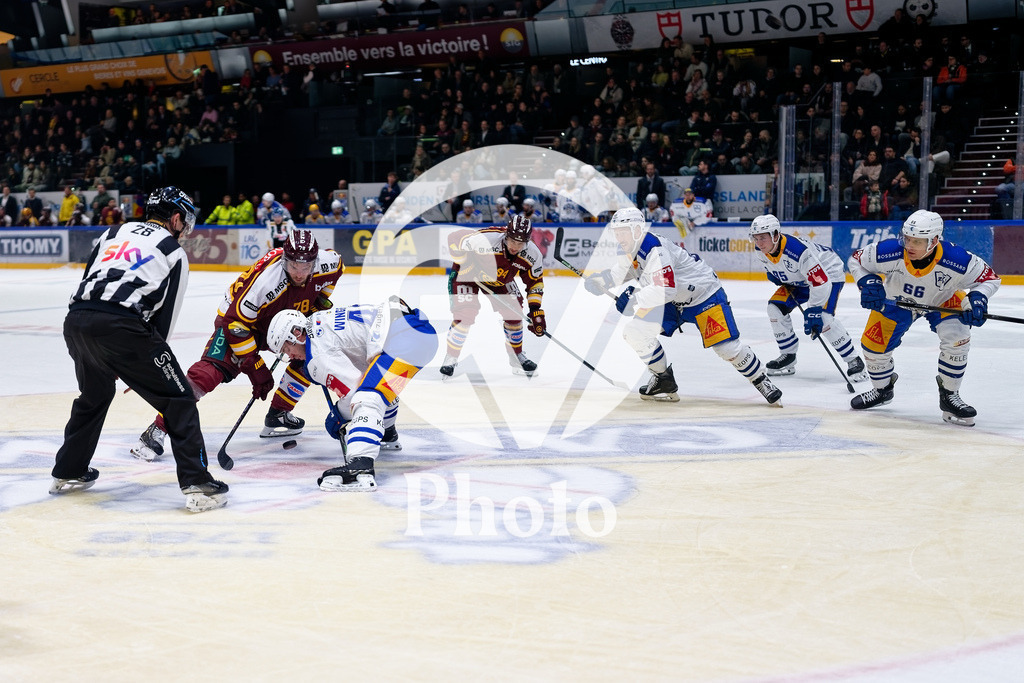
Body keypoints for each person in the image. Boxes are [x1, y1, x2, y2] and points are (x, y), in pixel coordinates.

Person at [51, 186, 229, 513]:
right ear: (176, 218)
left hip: (76, 322)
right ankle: (197, 482)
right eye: (185, 221)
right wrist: (145, 366)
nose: (185, 229)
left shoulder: (112, 232)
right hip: (122, 327)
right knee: (179, 399)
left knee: (95, 395)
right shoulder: (174, 253)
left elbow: (90, 280)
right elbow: (164, 323)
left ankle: (68, 470)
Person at [131, 229, 344, 461]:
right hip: (238, 321)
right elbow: (236, 325)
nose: (300, 273)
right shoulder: (266, 282)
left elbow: (330, 281)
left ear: (315, 261)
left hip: (282, 318)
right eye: (293, 266)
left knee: (313, 353)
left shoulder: (329, 263)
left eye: (306, 267)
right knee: (208, 373)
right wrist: (255, 366)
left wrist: (316, 306)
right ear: (284, 259)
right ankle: (158, 428)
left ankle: (279, 413)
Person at [583, 207, 782, 404]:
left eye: (623, 232)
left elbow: (666, 288)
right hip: (673, 300)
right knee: (635, 331)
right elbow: (624, 271)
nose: (619, 237)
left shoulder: (654, 248)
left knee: (727, 348)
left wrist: (635, 298)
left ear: (636, 230)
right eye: (616, 232)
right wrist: (602, 281)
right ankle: (663, 380)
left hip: (703, 295)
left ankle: (761, 380)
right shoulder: (627, 248)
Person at [265, 297, 438, 491]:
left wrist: (338, 416)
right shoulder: (319, 320)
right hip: (416, 331)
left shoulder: (317, 355)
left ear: (297, 333)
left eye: (287, 348)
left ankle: (361, 466)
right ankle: (386, 433)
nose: (290, 356)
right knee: (377, 388)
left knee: (367, 397)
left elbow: (353, 393)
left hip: (405, 337)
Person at [847, 210, 1000, 425]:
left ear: (934, 240)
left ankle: (949, 396)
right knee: (873, 346)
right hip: (897, 300)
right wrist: (868, 282)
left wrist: (977, 298)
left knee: (957, 338)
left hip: (942, 300)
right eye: (907, 238)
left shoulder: (956, 259)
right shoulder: (890, 250)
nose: (909, 245)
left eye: (917, 242)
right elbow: (857, 260)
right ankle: (882, 390)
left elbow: (990, 279)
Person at [748, 214, 866, 380]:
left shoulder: (797, 252)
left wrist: (814, 309)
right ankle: (788, 356)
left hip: (828, 275)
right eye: (756, 238)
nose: (759, 243)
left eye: (763, 238)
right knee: (774, 308)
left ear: (775, 235)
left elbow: (821, 283)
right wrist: (776, 274)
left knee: (823, 318)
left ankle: (854, 361)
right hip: (801, 279)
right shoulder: (761, 250)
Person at [440, 215, 544, 378]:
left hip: (499, 280)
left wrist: (535, 310)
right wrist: (462, 260)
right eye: (512, 241)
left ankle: (516, 357)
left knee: (515, 314)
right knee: (465, 315)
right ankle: (451, 357)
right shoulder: (486, 239)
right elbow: (454, 238)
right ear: (506, 235)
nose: (515, 247)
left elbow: (535, 282)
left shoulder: (532, 254)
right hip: (467, 276)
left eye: (520, 243)